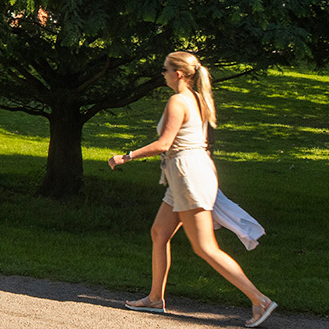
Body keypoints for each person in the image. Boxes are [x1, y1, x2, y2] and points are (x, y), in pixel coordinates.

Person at [110, 51, 276, 327]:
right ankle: (155, 298)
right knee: (159, 233)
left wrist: (126, 156)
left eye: (164, 69)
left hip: (187, 175)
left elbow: (164, 143)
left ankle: (260, 300)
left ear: (178, 73)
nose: (161, 73)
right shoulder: (197, 98)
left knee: (205, 247)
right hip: (183, 174)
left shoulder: (178, 101)